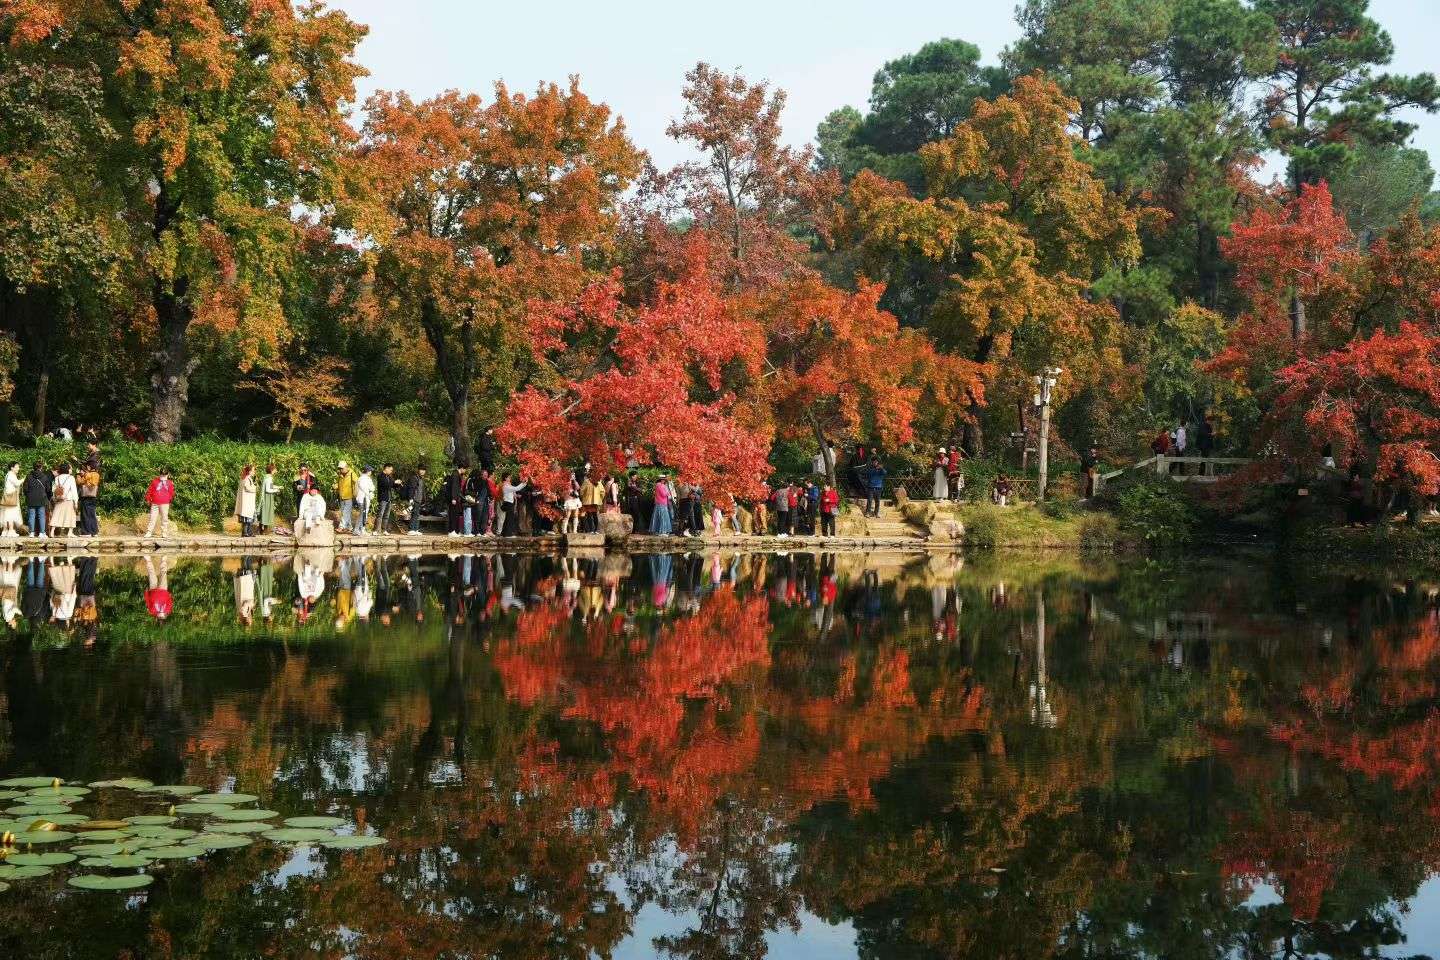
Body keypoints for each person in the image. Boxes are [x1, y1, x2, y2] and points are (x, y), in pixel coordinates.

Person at [143, 467, 175, 538]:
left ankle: (164, 532)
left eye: (164, 474)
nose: (163, 475)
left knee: (164, 518)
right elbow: (150, 490)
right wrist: (148, 499)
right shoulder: (155, 481)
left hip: (165, 503)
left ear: (167, 474)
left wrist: (169, 499)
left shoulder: (169, 483)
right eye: (162, 474)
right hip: (155, 503)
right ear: (160, 474)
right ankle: (149, 532)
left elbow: (171, 493)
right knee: (152, 517)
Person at [23, 460, 52, 538]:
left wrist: (28, 495)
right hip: (41, 499)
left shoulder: (28, 476)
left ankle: (31, 533)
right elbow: (48, 489)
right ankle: (42, 533)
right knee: (41, 516)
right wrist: (48, 497)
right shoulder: (44, 476)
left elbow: (25, 488)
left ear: (33, 467)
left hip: (31, 499)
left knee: (31, 516)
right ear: (41, 467)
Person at [49, 464, 78, 538]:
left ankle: (52, 532)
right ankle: (70, 532)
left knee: (56, 514)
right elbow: (74, 490)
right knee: (71, 515)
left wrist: (55, 498)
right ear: (67, 469)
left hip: (59, 499)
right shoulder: (71, 478)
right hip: (69, 499)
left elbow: (54, 489)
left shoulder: (57, 478)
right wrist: (76, 501)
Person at [78, 443, 101, 536]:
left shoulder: (87, 474)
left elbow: (80, 482)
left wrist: (80, 475)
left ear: (89, 467)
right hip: (93, 496)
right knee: (92, 514)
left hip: (86, 496)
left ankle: (86, 532)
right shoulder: (97, 474)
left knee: (85, 514)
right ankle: (94, 531)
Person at [234, 464, 258, 537]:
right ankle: (245, 532)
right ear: (249, 471)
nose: (254, 472)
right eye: (253, 470)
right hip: (247, 502)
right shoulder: (246, 479)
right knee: (247, 518)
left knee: (249, 518)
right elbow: (248, 488)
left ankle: (249, 532)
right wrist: (255, 488)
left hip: (247, 501)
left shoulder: (245, 478)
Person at [466, 466, 489, 536]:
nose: (486, 477)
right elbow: (473, 490)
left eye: (486, 475)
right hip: (479, 500)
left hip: (485, 501)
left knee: (484, 517)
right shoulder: (476, 480)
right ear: (481, 475)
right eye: (484, 475)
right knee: (478, 516)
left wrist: (489, 497)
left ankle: (482, 531)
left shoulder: (486, 482)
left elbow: (487, 491)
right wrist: (476, 497)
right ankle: (477, 531)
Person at [444, 466, 467, 536]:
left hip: (456, 498)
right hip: (454, 498)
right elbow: (454, 486)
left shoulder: (457, 474)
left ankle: (455, 531)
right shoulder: (455, 475)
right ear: (462, 468)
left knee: (456, 514)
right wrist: (453, 498)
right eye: (465, 469)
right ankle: (452, 530)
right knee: (453, 514)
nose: (465, 470)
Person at [1, 463, 22, 538]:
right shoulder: (11, 475)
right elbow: (17, 483)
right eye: (17, 467)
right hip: (11, 497)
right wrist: (23, 479)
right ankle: (11, 530)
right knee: (11, 513)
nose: (18, 468)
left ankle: (5, 531)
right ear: (12, 468)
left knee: (5, 514)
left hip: (6, 497)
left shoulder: (7, 474)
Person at [335, 461, 356, 533]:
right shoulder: (340, 475)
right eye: (339, 468)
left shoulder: (352, 474)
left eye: (342, 468)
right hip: (341, 496)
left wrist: (355, 492)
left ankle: (341, 527)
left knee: (345, 513)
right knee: (346, 513)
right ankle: (349, 527)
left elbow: (357, 482)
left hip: (349, 496)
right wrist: (335, 486)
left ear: (346, 467)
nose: (341, 470)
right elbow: (339, 483)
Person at [376, 464, 397, 533]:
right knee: (380, 514)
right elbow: (386, 485)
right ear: (386, 468)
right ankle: (377, 530)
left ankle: (384, 529)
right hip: (383, 498)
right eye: (391, 470)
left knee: (387, 515)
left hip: (389, 498)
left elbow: (392, 485)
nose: (391, 471)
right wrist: (394, 482)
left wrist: (397, 484)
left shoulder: (389, 477)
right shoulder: (380, 476)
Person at [406, 465, 428, 533]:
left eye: (424, 470)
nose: (422, 471)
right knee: (414, 514)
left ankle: (416, 529)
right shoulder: (414, 478)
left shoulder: (421, 479)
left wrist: (424, 499)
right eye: (421, 470)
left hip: (419, 499)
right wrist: (411, 498)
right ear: (418, 470)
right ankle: (411, 529)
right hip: (414, 499)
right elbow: (411, 489)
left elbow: (422, 490)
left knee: (417, 514)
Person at [260, 463, 280, 533]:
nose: (276, 470)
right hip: (267, 497)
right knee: (267, 512)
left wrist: (278, 487)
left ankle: (263, 529)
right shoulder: (269, 478)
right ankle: (264, 530)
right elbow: (268, 489)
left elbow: (270, 486)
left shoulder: (267, 477)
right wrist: (276, 490)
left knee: (265, 512)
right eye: (275, 469)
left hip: (267, 496)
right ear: (272, 470)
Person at [355, 466, 376, 534]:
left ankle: (362, 529)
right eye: (370, 471)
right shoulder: (361, 478)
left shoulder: (368, 479)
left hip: (367, 499)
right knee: (362, 514)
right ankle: (356, 529)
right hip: (362, 499)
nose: (371, 472)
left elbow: (373, 488)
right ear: (368, 471)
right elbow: (363, 488)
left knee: (365, 513)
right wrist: (369, 493)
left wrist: (370, 492)